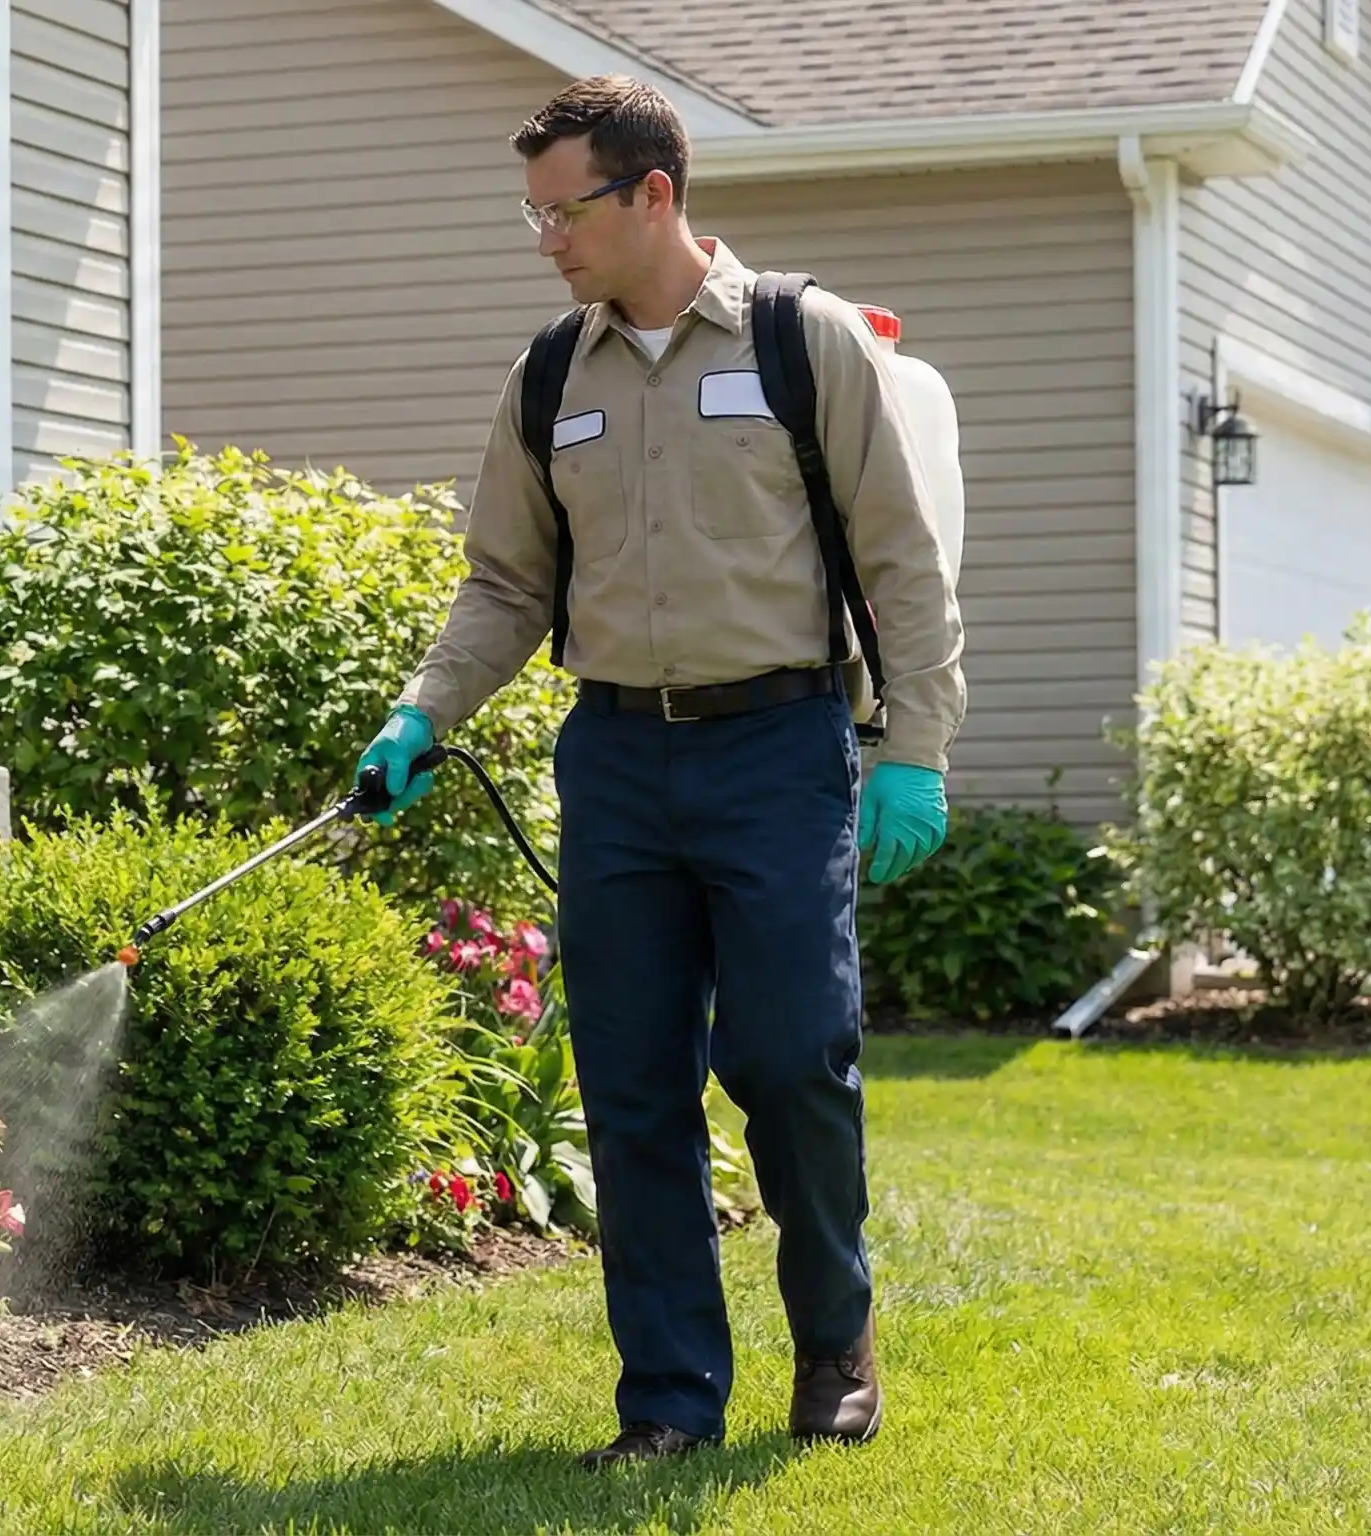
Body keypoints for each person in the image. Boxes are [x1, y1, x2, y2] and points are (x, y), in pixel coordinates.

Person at [355, 75, 965, 1467]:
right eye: (534, 217)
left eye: (562, 211)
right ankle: (671, 1401)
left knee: (793, 1058)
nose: (546, 241)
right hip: (618, 757)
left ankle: (835, 1346)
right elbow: (505, 584)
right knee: (632, 1087)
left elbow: (902, 567)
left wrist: (912, 749)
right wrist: (421, 715)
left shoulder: (806, 345)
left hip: (780, 746)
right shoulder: (548, 378)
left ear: (653, 196)